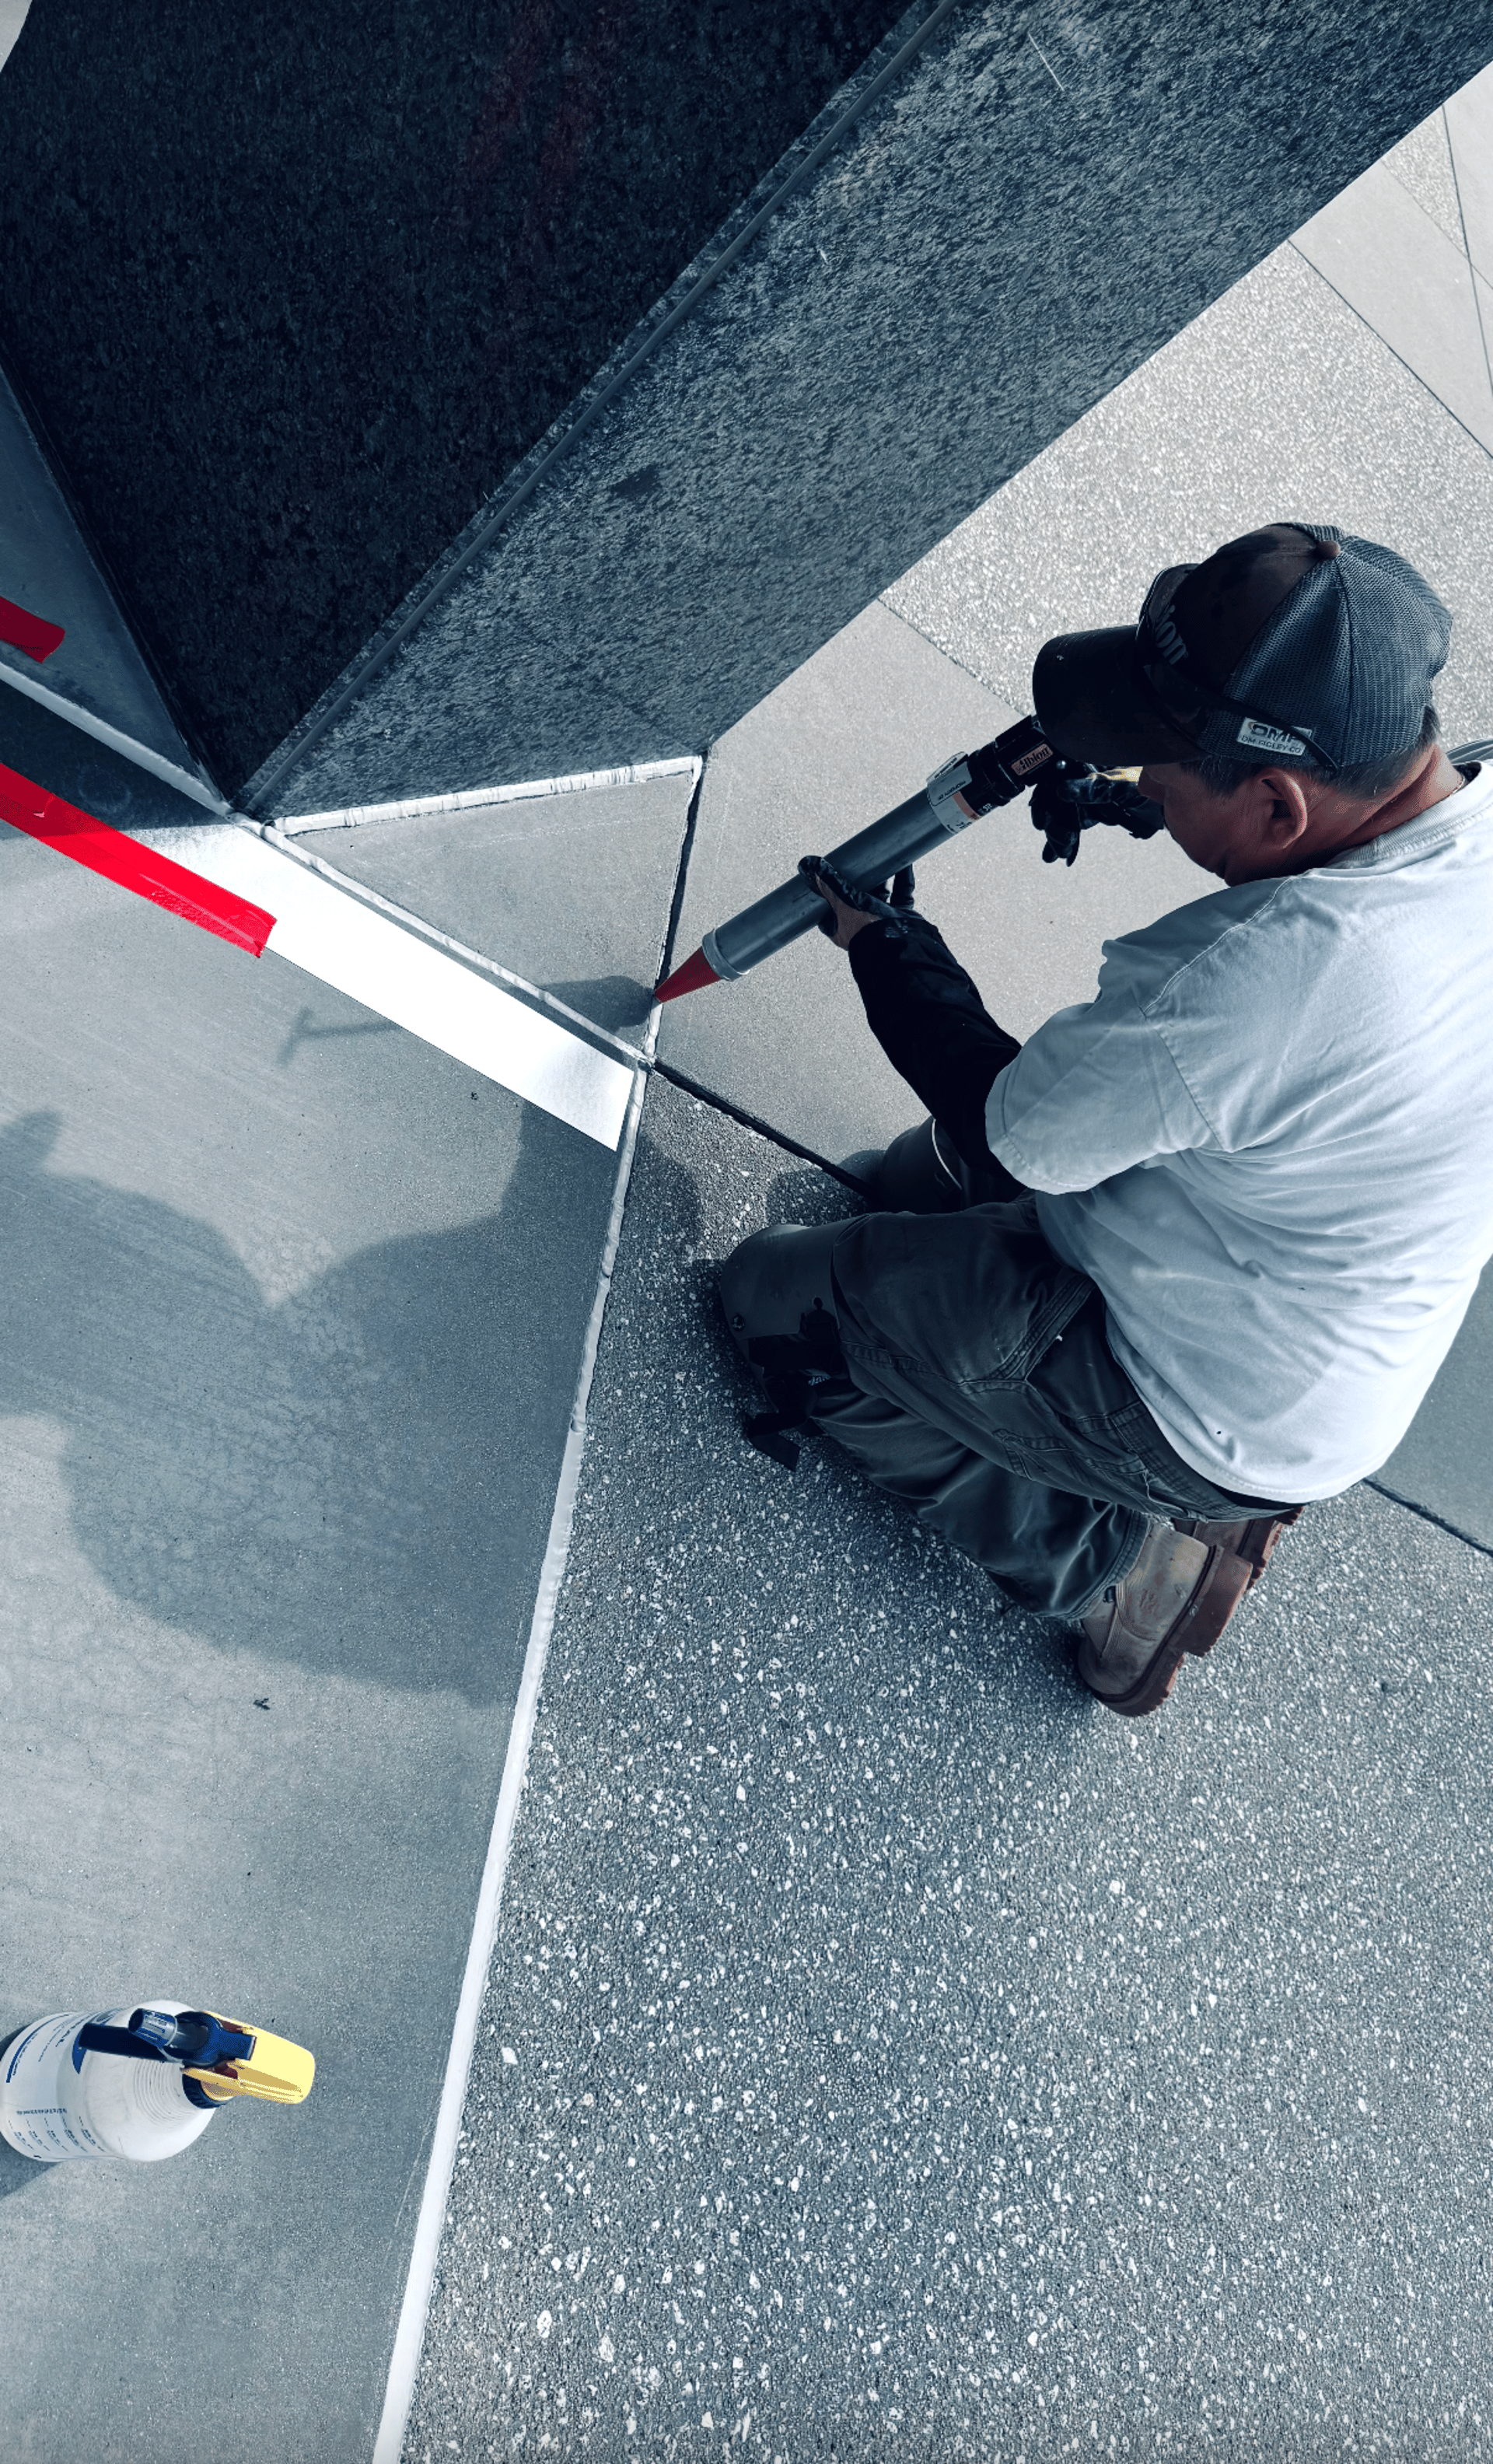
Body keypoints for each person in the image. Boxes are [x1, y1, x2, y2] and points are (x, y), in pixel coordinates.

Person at [718, 523, 1493, 1717]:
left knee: (776, 1304)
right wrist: (1160, 810)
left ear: (1282, 807)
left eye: (1161, 766)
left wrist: (886, 946)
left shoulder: (1266, 979)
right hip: (1301, 1293)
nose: (1139, 781)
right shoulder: (1449, 822)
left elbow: (1012, 1125)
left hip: (1207, 1400)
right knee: (903, 1184)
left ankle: (1129, 1565)